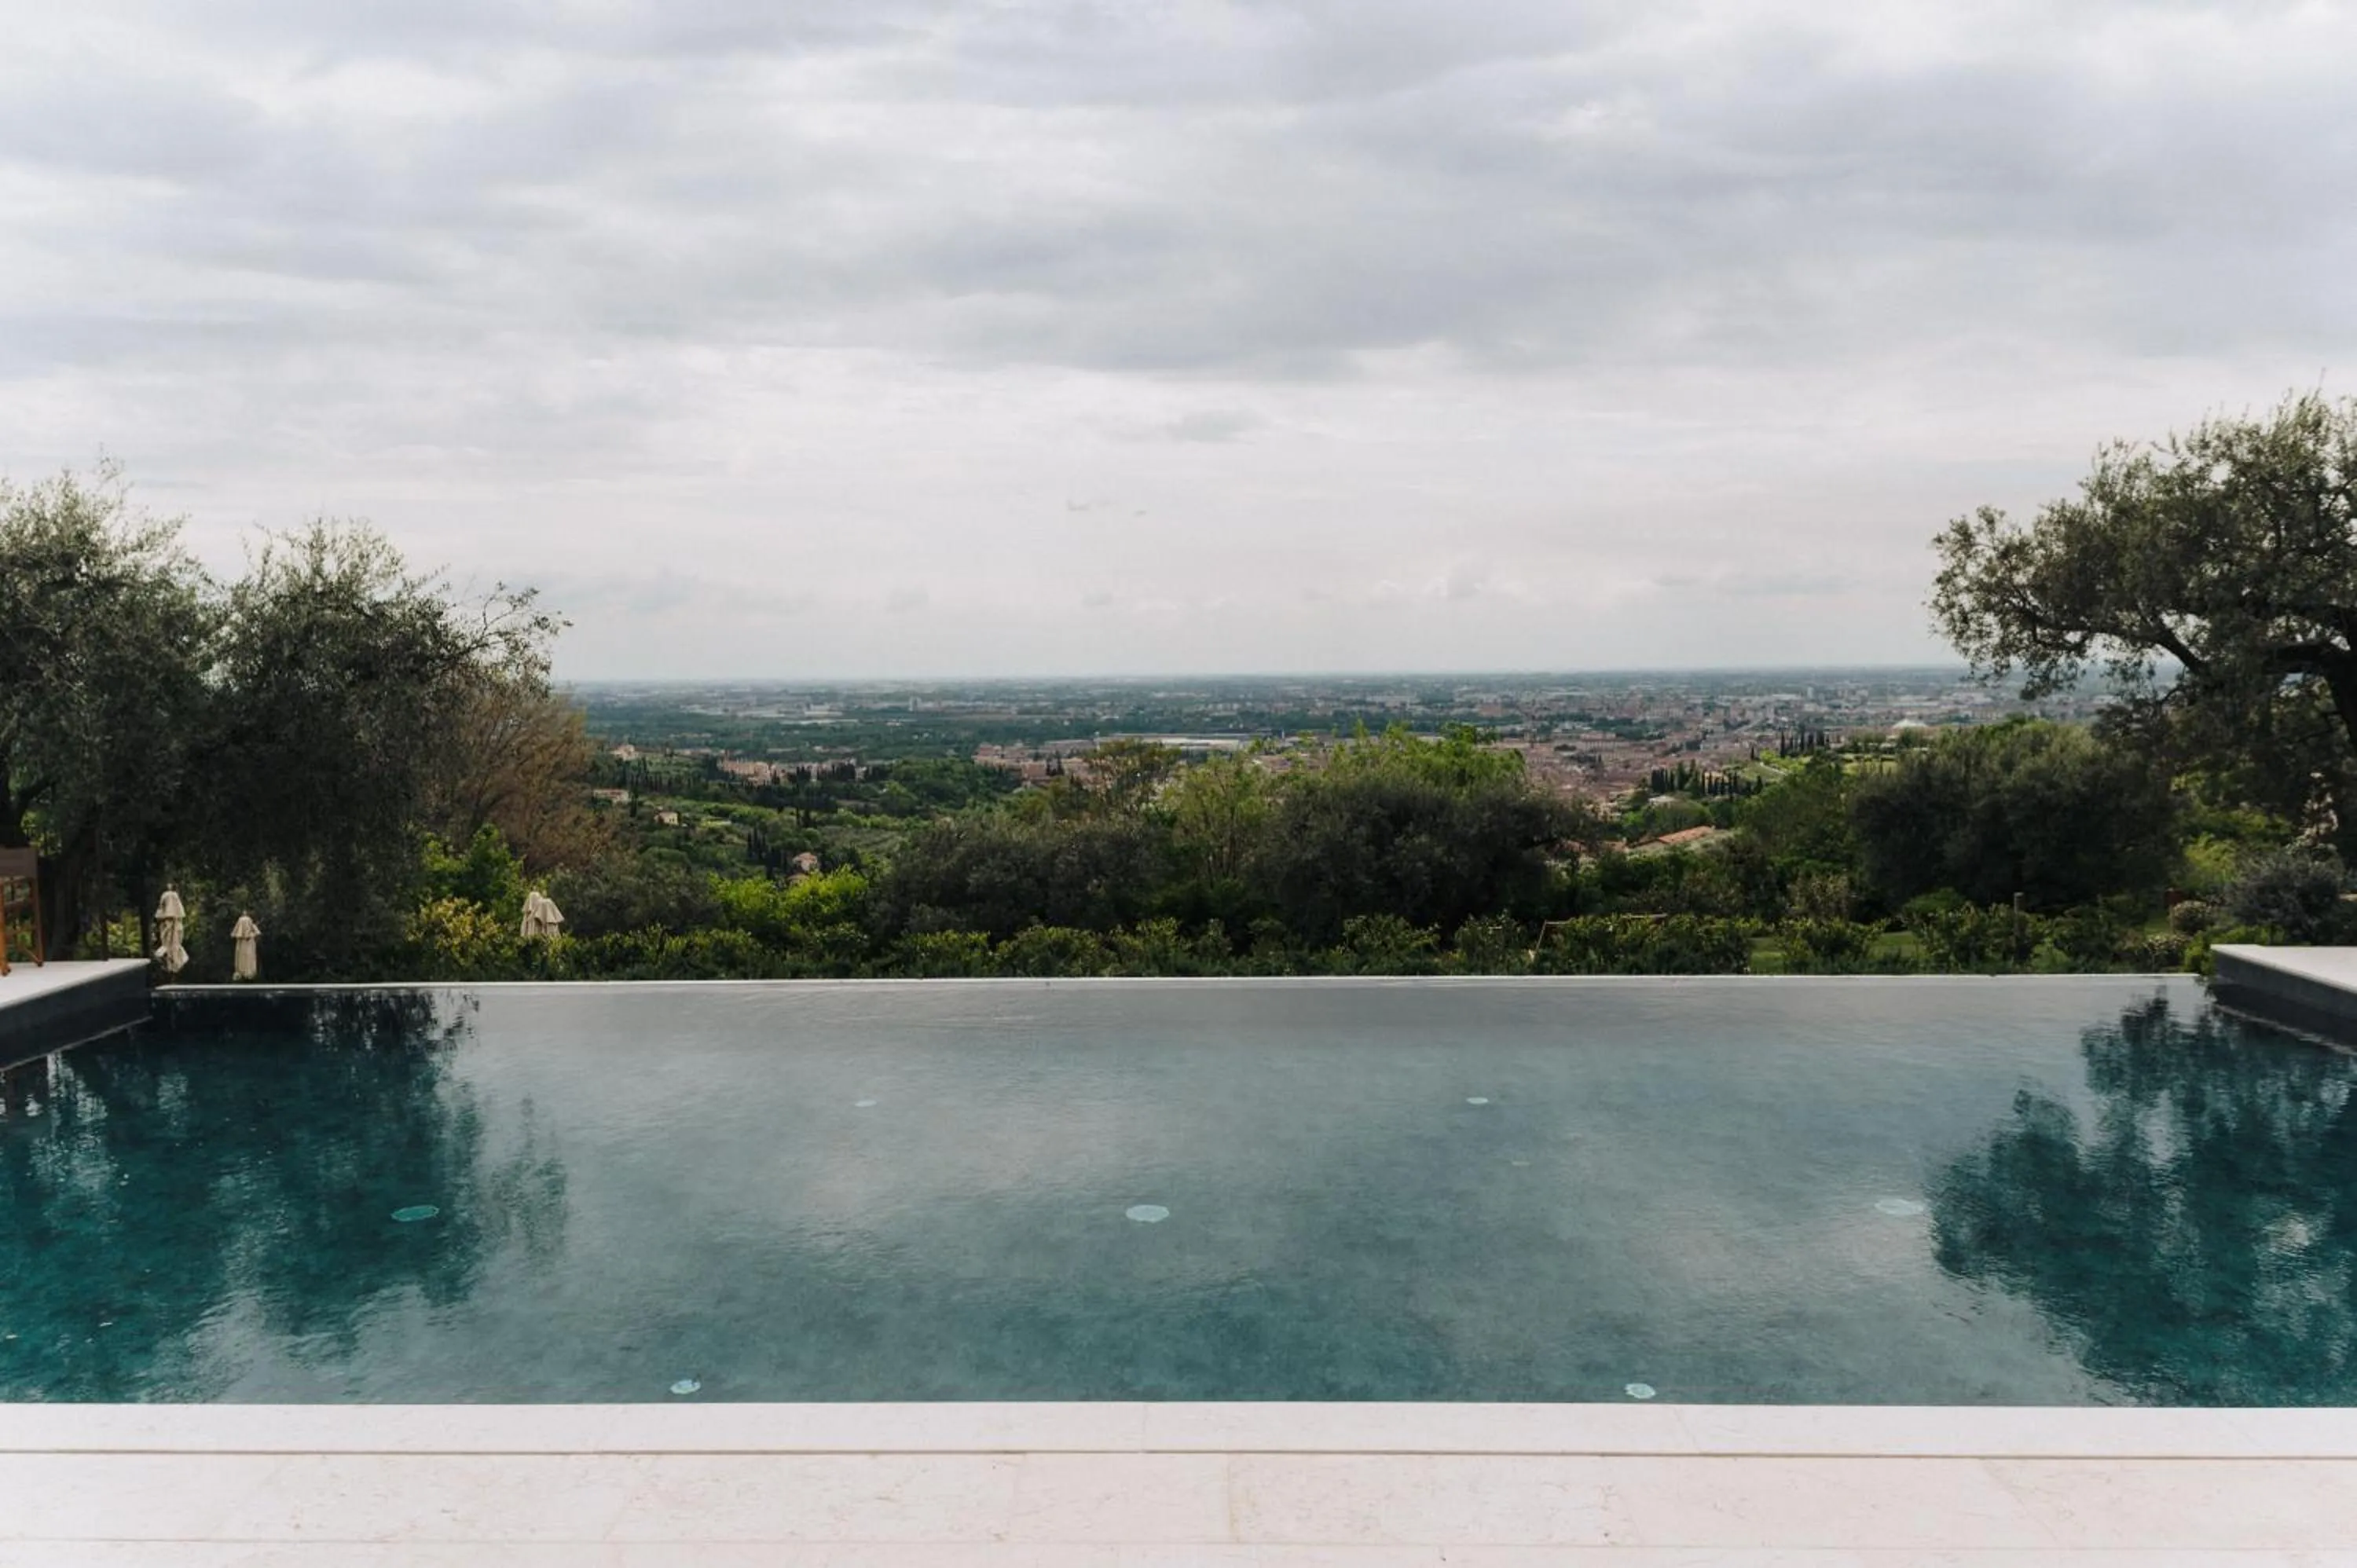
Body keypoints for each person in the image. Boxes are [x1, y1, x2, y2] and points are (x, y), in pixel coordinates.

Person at [231, 912, 261, 981]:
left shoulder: (249, 937)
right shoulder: (240, 940)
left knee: (248, 957)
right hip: (244, 943)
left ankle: (248, 973)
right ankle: (244, 973)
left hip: (249, 943)